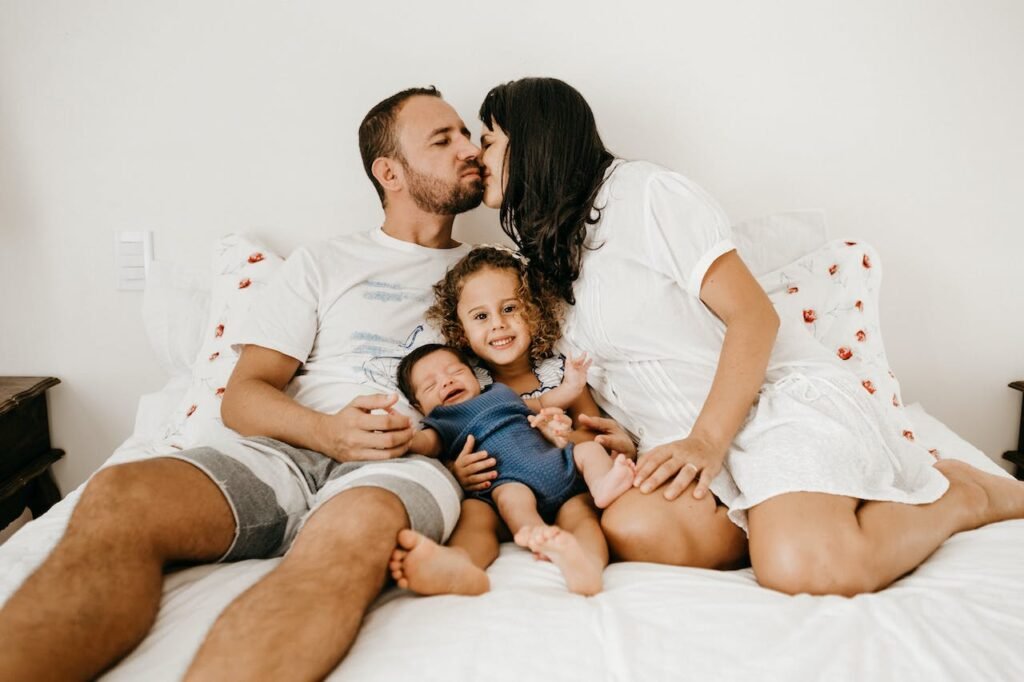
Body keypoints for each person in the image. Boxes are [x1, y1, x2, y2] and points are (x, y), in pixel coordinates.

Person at [0, 86, 488, 681]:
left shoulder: (492, 276)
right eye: (445, 139)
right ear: (389, 171)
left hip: (405, 458)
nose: (471, 148)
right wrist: (328, 433)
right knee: (118, 495)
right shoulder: (325, 262)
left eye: (468, 134)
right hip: (287, 449)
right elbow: (245, 394)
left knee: (344, 540)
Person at [472, 76, 1024, 596]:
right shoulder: (547, 259)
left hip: (767, 406)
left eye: (489, 141)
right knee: (635, 526)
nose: (477, 156)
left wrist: (707, 442)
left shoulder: (644, 194)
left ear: (534, 143)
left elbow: (755, 317)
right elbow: (628, 362)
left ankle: (960, 494)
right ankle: (779, 515)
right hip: (677, 438)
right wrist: (614, 431)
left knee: (799, 566)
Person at [388, 246, 637, 597]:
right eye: (480, 317)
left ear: (533, 311)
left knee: (582, 515)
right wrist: (455, 472)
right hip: (501, 488)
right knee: (475, 517)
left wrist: (563, 435)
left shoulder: (559, 373)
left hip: (564, 476)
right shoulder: (471, 391)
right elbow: (438, 443)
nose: (498, 324)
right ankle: (461, 565)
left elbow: (594, 432)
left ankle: (586, 566)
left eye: (509, 309)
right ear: (460, 333)